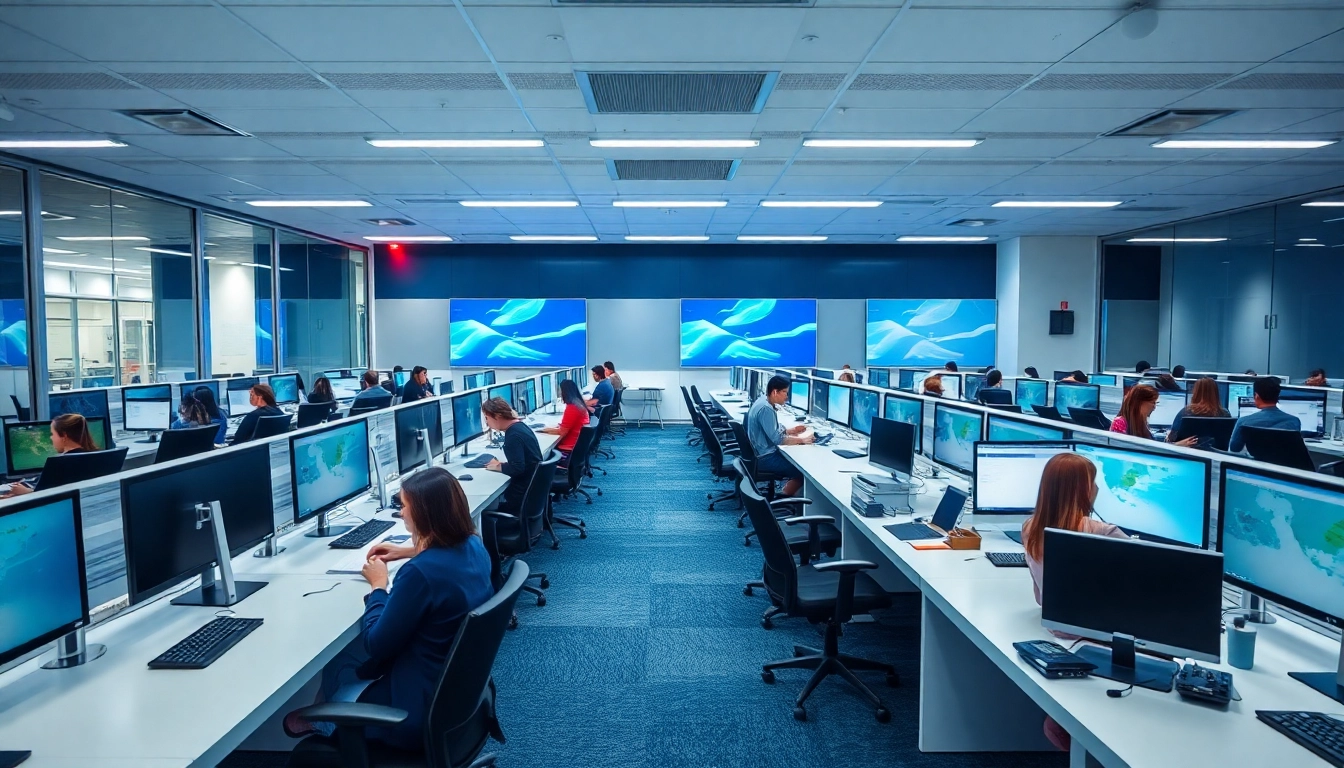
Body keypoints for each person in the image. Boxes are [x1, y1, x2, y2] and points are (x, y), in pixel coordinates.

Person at [283, 468, 493, 751]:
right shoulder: (475, 545)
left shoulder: (419, 574)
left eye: (404, 506)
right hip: (458, 699)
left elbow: (376, 645)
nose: (401, 514)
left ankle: (327, 719)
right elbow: (445, 556)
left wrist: (378, 586)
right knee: (347, 659)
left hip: (412, 713)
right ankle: (328, 713)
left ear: (425, 514)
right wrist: (408, 550)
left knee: (342, 660)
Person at [1019, 453, 1129, 753]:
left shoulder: (1030, 529)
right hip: (1103, 637)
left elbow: (1040, 597)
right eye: (1094, 482)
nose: (1098, 489)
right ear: (1084, 490)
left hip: (1059, 632)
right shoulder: (1104, 533)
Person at [747, 375, 813, 497]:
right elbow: (778, 439)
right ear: (775, 392)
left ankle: (787, 496)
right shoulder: (766, 409)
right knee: (804, 472)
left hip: (758, 454)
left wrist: (790, 430)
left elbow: (771, 428)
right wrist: (802, 440)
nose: (787, 397)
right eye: (785, 392)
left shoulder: (762, 401)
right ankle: (783, 499)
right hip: (765, 458)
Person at [2, 414, 97, 498]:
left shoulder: (57, 464)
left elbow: (48, 497)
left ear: (64, 436)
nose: (51, 438)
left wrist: (26, 492)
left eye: (52, 434)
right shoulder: (96, 457)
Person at [1229, 377, 1301, 454]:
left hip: (1255, 465)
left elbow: (1234, 448)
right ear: (1277, 396)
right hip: (1282, 465)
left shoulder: (1243, 422)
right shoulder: (1294, 421)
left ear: (1256, 396)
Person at [540, 379, 589, 459]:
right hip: (578, 445)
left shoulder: (572, 408)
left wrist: (543, 430)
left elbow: (562, 432)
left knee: (543, 454)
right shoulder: (578, 403)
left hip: (570, 447)